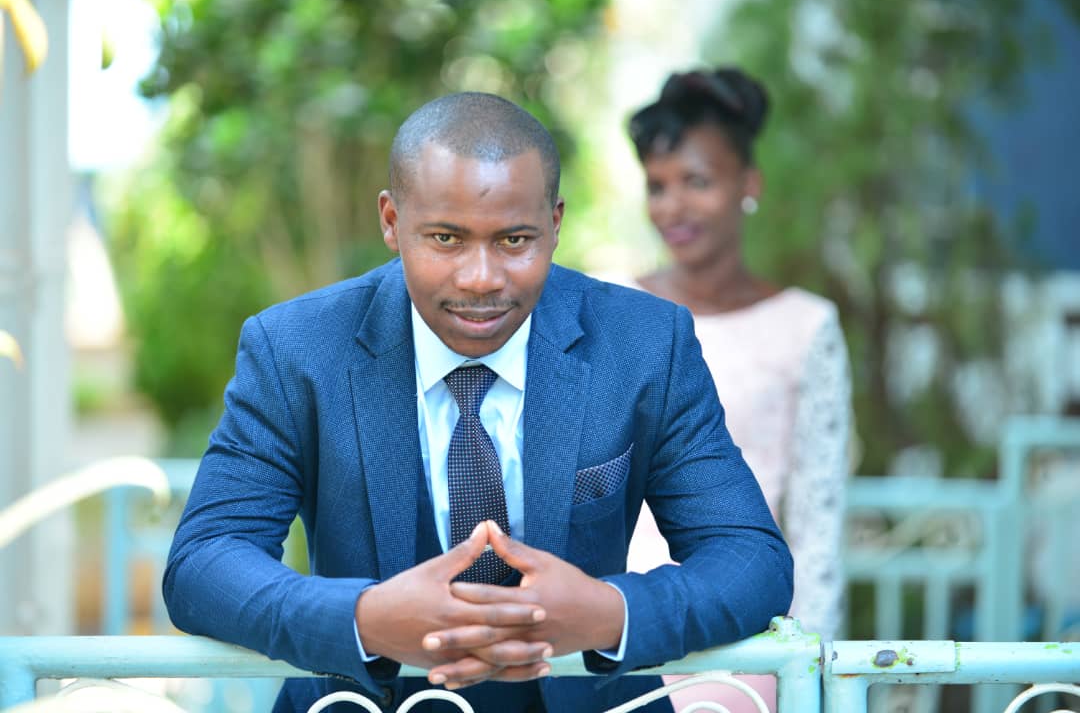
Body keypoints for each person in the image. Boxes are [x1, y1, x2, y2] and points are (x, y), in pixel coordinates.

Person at [163, 91, 793, 713]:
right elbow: (203, 562)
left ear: (555, 223)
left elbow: (752, 559)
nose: (481, 278)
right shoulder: (296, 349)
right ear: (391, 221)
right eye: (446, 238)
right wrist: (364, 619)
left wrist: (609, 614)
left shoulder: (646, 344)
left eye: (515, 240)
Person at [622, 68, 853, 712]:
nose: (672, 207)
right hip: (613, 629)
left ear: (749, 184)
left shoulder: (807, 327)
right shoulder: (612, 307)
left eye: (697, 181)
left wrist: (809, 672)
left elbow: (817, 522)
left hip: (748, 646)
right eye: (657, 186)